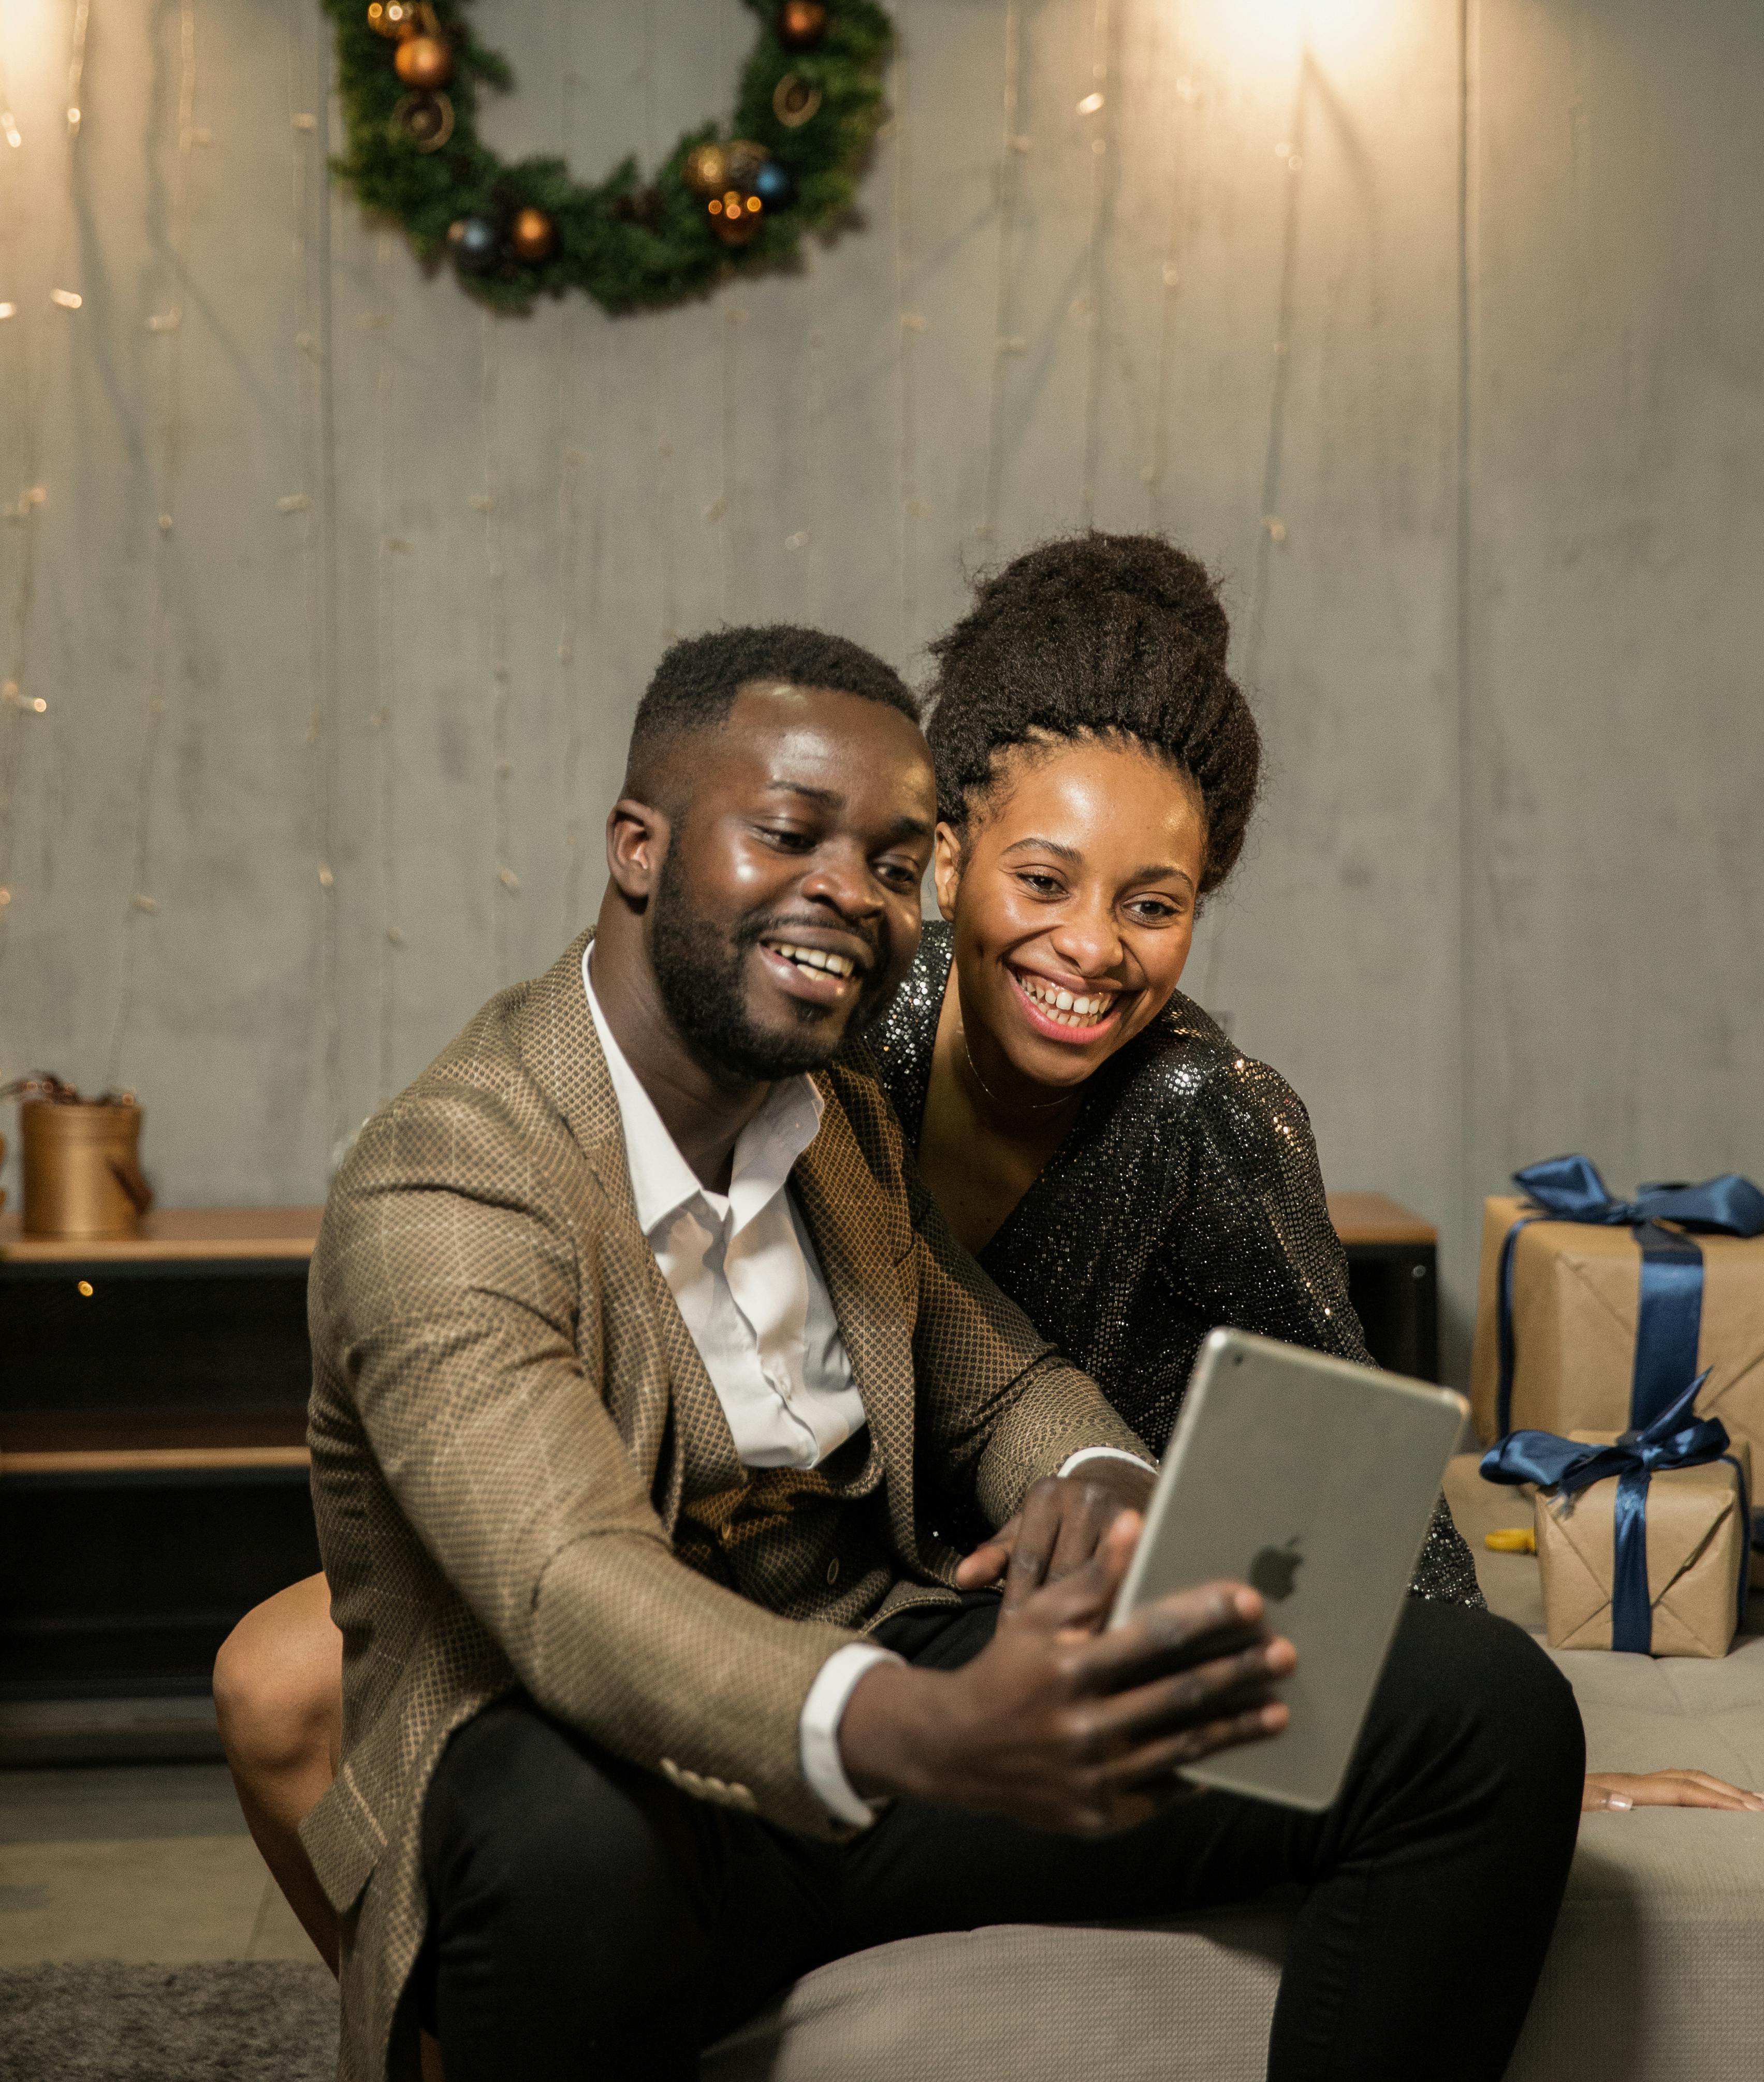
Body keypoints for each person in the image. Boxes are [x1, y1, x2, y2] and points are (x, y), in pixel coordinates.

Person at [245, 620, 1586, 2082]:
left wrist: (1097, 1475)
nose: (849, 890)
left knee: (1482, 1710)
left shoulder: (836, 1118)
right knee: (556, 1834)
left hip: (880, 1689)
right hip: (623, 1764)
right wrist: (923, 1727)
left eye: (891, 859)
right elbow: (574, 1584)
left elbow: (1000, 1374)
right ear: (640, 844)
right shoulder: (444, 1178)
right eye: (788, 833)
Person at [866, 530, 1764, 1812]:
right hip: (852, 1618)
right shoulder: (840, 1035)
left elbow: (1359, 1465)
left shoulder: (1205, 1112)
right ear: (950, 858)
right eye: (1044, 880)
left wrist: (1492, 1738)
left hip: (1073, 1622)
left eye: (1152, 902)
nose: (1090, 946)